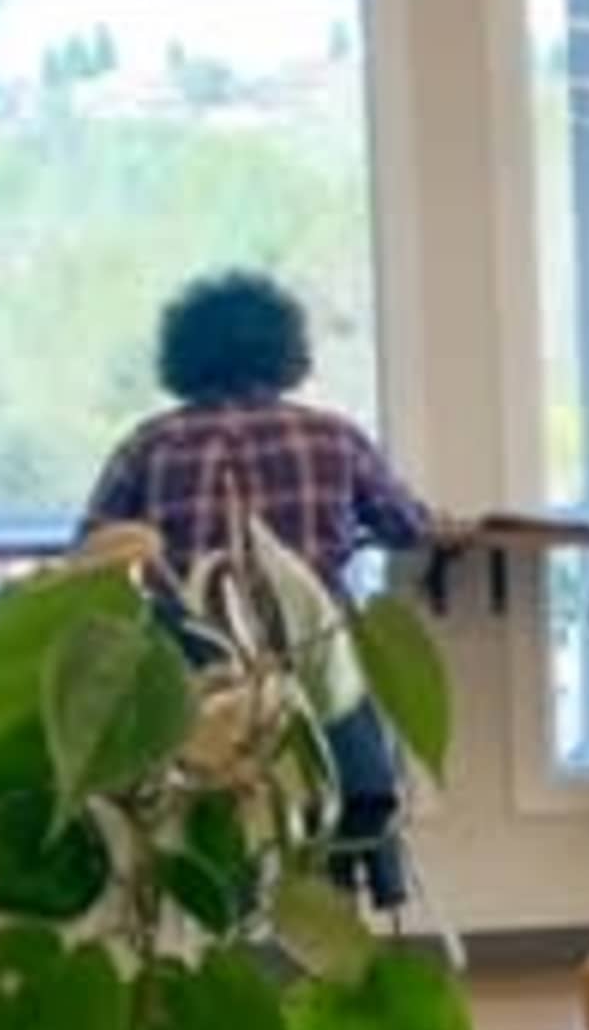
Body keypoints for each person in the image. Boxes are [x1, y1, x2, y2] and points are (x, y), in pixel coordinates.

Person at [81, 271, 433, 899]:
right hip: (311, 667)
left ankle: (219, 892)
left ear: (183, 354)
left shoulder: (151, 444)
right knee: (346, 693)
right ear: (286, 350)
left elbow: (90, 551)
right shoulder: (334, 437)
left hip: (199, 676)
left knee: (200, 776)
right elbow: (409, 527)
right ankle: (355, 874)